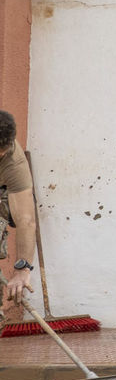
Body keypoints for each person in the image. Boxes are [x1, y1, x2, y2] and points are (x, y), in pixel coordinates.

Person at [0, 110, 37, 310]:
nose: (1, 156)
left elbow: (25, 220)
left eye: (2, 153)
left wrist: (22, 269)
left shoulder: (13, 161)